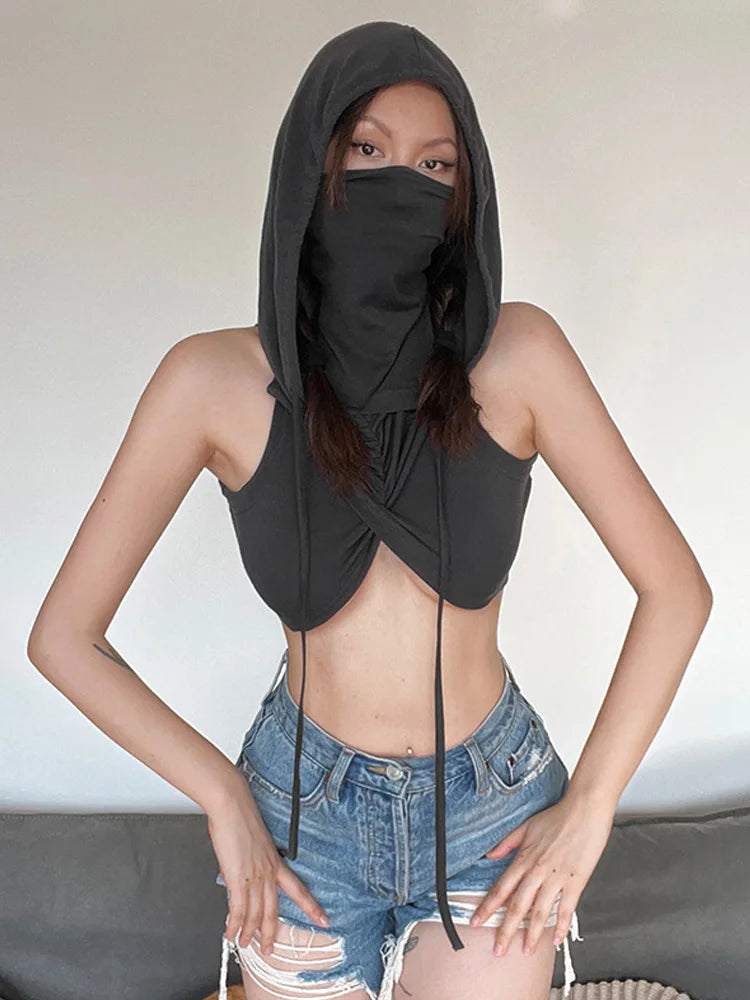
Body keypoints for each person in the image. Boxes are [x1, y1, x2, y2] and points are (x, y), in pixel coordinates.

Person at [27, 20, 713, 1000]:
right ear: (311, 165)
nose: (404, 184)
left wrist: (593, 806)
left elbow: (677, 591)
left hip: (491, 808)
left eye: (436, 165)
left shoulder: (519, 359)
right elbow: (64, 638)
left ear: (464, 196)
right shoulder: (211, 382)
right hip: (299, 813)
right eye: (366, 151)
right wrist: (220, 792)